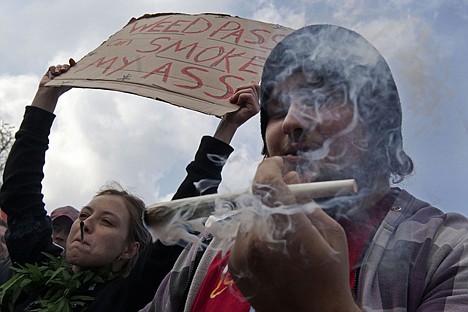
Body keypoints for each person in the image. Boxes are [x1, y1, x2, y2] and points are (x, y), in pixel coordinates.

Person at [143, 24, 468, 312]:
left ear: (378, 127)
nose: (292, 121)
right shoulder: (211, 245)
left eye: (321, 100)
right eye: (277, 109)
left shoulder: (448, 250)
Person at [0, 59, 259, 311]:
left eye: (107, 222)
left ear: (129, 249)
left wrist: (227, 127)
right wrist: (46, 97)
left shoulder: (123, 297)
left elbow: (181, 219)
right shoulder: (36, 264)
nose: (84, 224)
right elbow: (20, 190)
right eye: (85, 214)